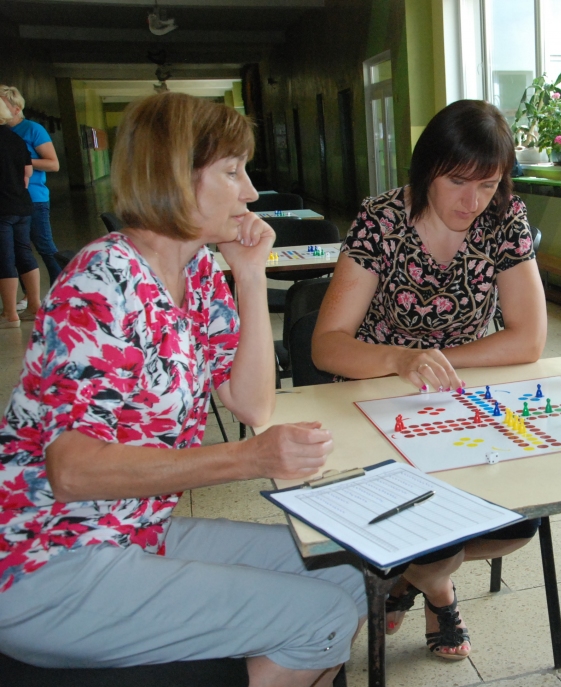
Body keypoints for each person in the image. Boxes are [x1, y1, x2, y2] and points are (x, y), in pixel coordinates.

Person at [0, 92, 365, 687]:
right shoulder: (101, 282)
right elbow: (73, 471)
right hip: (47, 558)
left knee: (346, 570)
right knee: (322, 615)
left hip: (131, 528)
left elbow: (252, 404)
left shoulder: (195, 272)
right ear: (175, 176)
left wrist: (248, 274)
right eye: (231, 171)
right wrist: (245, 459)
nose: (249, 191)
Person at [312, 99, 547, 660]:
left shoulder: (504, 218)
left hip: (455, 399)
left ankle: (405, 576)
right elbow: (328, 345)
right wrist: (399, 359)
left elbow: (529, 340)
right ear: (426, 171)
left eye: (488, 185)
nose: (473, 202)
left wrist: (439, 360)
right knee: (414, 511)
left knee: (521, 524)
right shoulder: (382, 219)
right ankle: (437, 588)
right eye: (457, 181)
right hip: (375, 397)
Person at [0, 86, 62, 287]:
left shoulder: (32, 129)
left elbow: (53, 163)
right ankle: (28, 296)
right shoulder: (4, 133)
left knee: (44, 245)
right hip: (11, 199)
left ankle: (61, 287)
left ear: (16, 109)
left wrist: (20, 161)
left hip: (34, 197)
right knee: (18, 250)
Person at [0, 96, 41, 328]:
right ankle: (34, 305)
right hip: (22, 204)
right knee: (24, 252)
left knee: (4, 256)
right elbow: (27, 174)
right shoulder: (16, 139)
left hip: (2, 207)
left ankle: (9, 313)